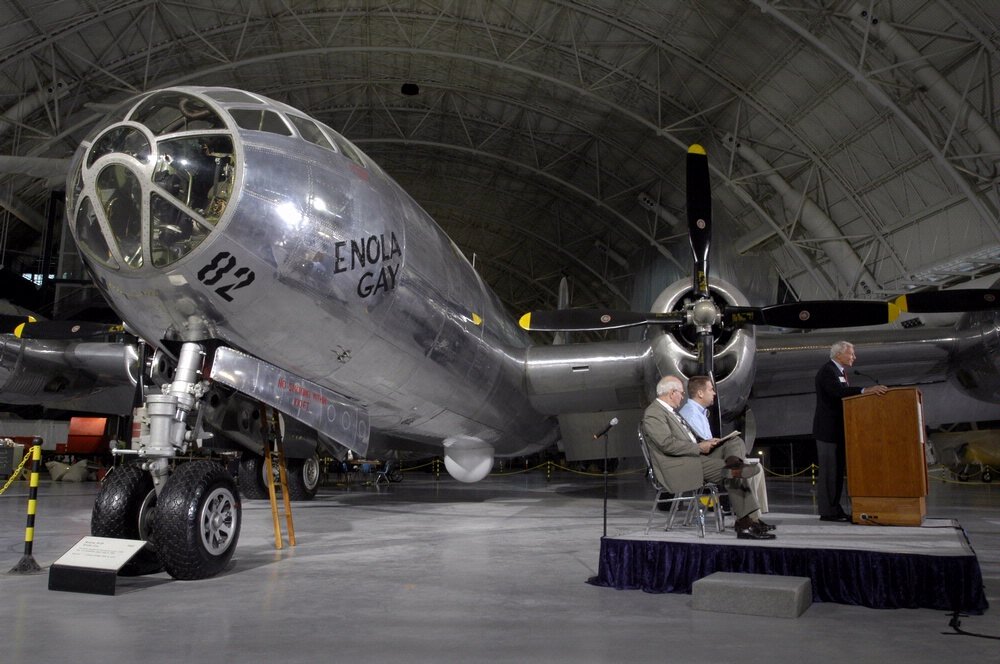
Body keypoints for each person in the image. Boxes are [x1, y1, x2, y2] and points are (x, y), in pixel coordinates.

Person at [641, 375, 775, 540]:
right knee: (731, 473)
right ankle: (745, 524)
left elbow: (684, 439)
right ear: (671, 392)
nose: (683, 397)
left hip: (692, 456)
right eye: (681, 393)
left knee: (733, 441)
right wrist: (698, 447)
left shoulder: (670, 412)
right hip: (680, 465)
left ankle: (734, 462)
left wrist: (705, 442)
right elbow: (666, 444)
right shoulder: (654, 413)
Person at [813, 341, 888, 522]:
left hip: (838, 431)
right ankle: (828, 511)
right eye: (851, 354)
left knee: (837, 472)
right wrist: (864, 390)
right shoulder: (828, 371)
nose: (854, 357)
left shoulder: (839, 371)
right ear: (839, 354)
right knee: (830, 473)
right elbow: (837, 392)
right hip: (828, 432)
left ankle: (835, 508)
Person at [678, 375, 716, 440]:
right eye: (711, 390)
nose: (714, 393)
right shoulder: (692, 415)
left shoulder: (698, 412)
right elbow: (704, 444)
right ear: (700, 393)